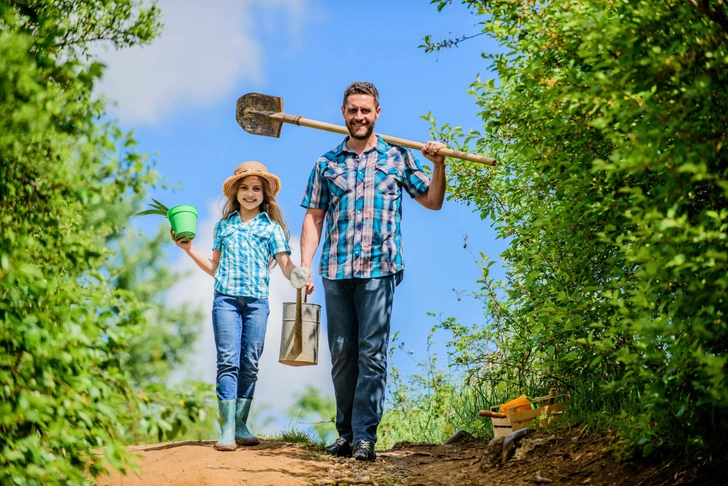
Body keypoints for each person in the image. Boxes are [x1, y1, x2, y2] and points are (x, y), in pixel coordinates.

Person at [299, 81, 446, 461]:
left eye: (365, 110)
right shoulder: (326, 163)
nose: (359, 116)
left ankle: (365, 437)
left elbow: (432, 200)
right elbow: (314, 218)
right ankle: (345, 435)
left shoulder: (397, 157)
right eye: (353, 110)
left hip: (380, 269)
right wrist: (304, 265)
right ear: (343, 112)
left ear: (377, 113)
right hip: (336, 269)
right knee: (343, 353)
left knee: (372, 353)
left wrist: (439, 164)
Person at [172, 161, 298, 451]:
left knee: (250, 363)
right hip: (226, 300)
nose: (250, 194)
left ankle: (241, 423)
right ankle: (227, 428)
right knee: (228, 361)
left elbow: (285, 263)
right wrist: (189, 249)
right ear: (235, 193)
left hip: (257, 303)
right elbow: (215, 267)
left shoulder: (271, 228)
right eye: (245, 188)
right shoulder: (224, 226)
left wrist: (298, 277)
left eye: (256, 189)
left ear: (265, 195)